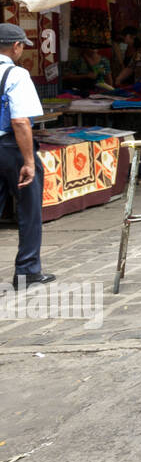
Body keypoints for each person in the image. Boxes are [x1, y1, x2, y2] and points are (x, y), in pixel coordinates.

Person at [0, 23, 52, 288]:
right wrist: (29, 161)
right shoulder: (15, 74)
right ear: (16, 46)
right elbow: (20, 121)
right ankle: (27, 270)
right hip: (11, 147)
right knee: (29, 208)